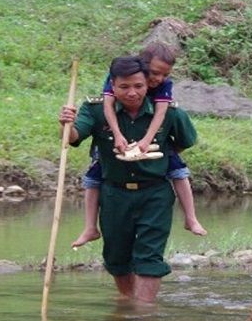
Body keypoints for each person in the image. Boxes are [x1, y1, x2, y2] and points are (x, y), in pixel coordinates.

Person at [58, 55, 197, 303]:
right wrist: (65, 124)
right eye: (124, 87)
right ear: (112, 85)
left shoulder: (169, 112)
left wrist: (162, 155)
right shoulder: (96, 109)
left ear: (147, 84)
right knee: (116, 256)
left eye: (138, 86)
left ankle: (144, 312)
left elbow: (186, 141)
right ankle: (127, 303)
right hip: (113, 194)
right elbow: (73, 137)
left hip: (155, 194)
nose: (132, 93)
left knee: (149, 256)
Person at [71, 43, 206, 249]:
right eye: (154, 73)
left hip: (154, 156)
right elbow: (106, 107)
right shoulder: (115, 81)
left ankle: (191, 218)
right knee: (93, 178)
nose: (158, 79)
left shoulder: (164, 88)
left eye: (164, 74)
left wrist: (149, 144)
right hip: (114, 170)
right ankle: (90, 226)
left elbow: (162, 113)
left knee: (179, 171)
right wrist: (116, 135)